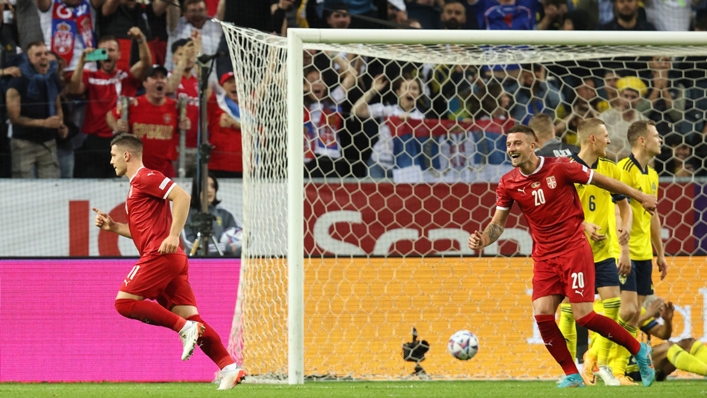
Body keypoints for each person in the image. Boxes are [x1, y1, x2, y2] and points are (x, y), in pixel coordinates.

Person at [467, 124, 657, 388]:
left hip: (573, 250)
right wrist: (483, 239)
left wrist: (639, 196)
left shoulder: (560, 166)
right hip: (544, 257)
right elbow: (498, 223)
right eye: (509, 144)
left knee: (584, 316)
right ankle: (572, 374)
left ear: (533, 146)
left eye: (517, 143)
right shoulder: (508, 183)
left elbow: (604, 181)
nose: (511, 148)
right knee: (543, 315)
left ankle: (638, 349)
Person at [91, 133, 245, 390]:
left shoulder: (145, 176)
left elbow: (182, 196)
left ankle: (183, 329)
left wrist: (173, 235)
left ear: (126, 155)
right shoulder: (135, 188)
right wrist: (113, 226)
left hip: (160, 255)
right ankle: (229, 368)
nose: (111, 161)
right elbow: (141, 230)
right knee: (194, 320)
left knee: (124, 303)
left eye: (113, 155)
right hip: (170, 258)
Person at [558, 119, 634, 386]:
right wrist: (581, 225)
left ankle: (601, 364)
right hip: (573, 251)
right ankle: (570, 369)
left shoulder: (611, 169)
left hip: (603, 251)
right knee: (569, 308)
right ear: (592, 139)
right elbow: (555, 213)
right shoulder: (564, 169)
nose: (609, 140)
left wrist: (625, 229)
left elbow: (625, 205)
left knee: (613, 306)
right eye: (605, 135)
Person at [611, 120, 667, 380]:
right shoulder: (623, 169)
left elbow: (653, 215)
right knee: (629, 311)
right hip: (627, 251)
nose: (661, 140)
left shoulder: (652, 174)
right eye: (656, 135)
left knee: (641, 313)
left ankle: (626, 362)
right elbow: (617, 208)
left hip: (644, 253)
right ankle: (613, 365)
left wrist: (661, 253)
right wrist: (623, 249)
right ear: (642, 140)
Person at [70, 30, 151, 178]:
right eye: (103, 51)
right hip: (95, 142)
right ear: (97, 55)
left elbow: (146, 63)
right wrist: (81, 62)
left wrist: (141, 39)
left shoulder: (126, 76)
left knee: (121, 188)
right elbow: (75, 89)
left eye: (111, 50)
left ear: (119, 55)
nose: (107, 54)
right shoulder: (91, 76)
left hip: (122, 140)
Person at [106, 65, 190, 177]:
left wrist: (186, 124)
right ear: (145, 83)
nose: (159, 80)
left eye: (163, 77)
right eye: (154, 77)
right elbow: (109, 115)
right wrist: (117, 126)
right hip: (137, 170)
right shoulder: (133, 104)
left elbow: (184, 124)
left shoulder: (175, 106)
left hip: (165, 171)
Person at [6, 41, 67, 178]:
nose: (44, 57)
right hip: (23, 144)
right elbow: (14, 118)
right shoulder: (17, 81)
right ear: (29, 59)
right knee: (23, 190)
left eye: (45, 53)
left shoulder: (52, 77)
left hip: (48, 143)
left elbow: (57, 105)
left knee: (52, 188)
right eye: (38, 54)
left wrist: (60, 124)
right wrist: (43, 123)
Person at [352, 74, 425, 179]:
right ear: (398, 92)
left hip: (405, 168)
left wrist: (410, 123)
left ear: (419, 93)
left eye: (415, 88)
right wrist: (373, 90)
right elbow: (356, 111)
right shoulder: (388, 110)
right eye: (407, 88)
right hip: (378, 164)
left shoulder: (421, 117)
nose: (411, 91)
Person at [182, 172, 243, 256]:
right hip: (196, 262)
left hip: (224, 262)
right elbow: (191, 245)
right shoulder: (187, 213)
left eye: (212, 186)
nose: (209, 190)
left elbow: (243, 236)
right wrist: (226, 248)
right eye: (205, 186)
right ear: (196, 188)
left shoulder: (224, 213)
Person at [207, 71, 243, 178]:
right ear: (222, 87)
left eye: (238, 81)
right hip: (218, 166)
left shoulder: (249, 106)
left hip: (245, 167)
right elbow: (206, 85)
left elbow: (263, 86)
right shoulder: (216, 104)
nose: (235, 84)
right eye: (230, 82)